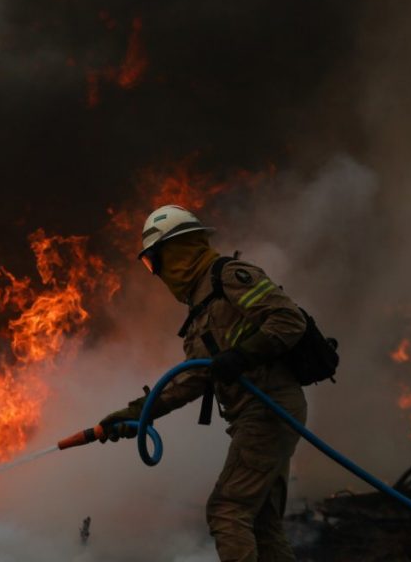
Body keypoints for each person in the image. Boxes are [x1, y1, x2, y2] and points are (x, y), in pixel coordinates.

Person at [101, 204, 307, 562]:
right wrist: (136, 414)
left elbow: (289, 320)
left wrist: (242, 356)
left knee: (227, 510)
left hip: (268, 409)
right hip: (255, 414)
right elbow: (196, 376)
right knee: (261, 522)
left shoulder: (229, 277)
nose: (156, 274)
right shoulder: (202, 303)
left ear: (176, 250)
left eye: (154, 262)